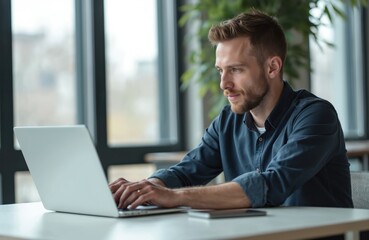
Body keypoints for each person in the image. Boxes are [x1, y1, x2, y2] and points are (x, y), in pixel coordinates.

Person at [109, 9, 353, 211]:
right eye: (220, 70)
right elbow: (187, 172)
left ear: (272, 67)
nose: (224, 84)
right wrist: (145, 188)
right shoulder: (228, 121)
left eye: (235, 70)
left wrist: (175, 196)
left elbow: (272, 184)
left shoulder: (316, 116)